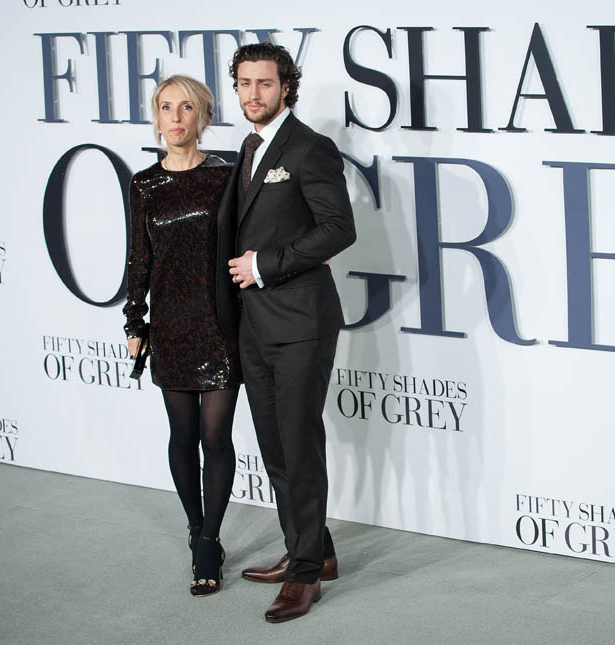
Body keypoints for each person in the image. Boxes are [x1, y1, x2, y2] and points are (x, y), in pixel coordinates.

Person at [215, 42, 356, 623]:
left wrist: (266, 265)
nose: (253, 94)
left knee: (298, 446)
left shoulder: (309, 148)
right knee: (275, 446)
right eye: (245, 83)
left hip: (300, 323)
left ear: (286, 88)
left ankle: (304, 576)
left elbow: (338, 228)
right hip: (254, 325)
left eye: (265, 83)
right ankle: (315, 550)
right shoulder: (249, 148)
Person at [123, 74, 242, 597]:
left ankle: (209, 540)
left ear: (204, 117)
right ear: (157, 117)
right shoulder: (144, 185)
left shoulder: (226, 177)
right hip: (170, 326)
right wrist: (135, 321)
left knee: (216, 437)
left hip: (219, 323)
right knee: (183, 436)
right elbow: (139, 258)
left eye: (186, 107)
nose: (175, 117)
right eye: (166, 107)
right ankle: (196, 529)